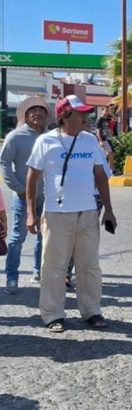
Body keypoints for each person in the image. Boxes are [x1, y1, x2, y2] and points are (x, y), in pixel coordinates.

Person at [25, 94, 117, 332]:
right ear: (65, 116)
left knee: (90, 266)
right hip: (57, 214)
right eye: (81, 114)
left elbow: (101, 175)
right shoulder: (45, 142)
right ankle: (53, 314)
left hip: (87, 213)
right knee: (54, 266)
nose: (86, 118)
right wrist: (31, 213)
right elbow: (32, 178)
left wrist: (108, 209)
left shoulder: (89, 141)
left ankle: (91, 311)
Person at [0, 96, 47, 294]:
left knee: (44, 237)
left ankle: (39, 271)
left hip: (46, 197)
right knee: (17, 238)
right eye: (32, 111)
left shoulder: (50, 137)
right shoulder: (15, 137)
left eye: (41, 111)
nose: (37, 114)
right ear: (26, 115)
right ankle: (11, 276)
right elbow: (4, 163)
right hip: (21, 196)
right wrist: (18, 188)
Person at [96, 106, 115, 171]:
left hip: (106, 138)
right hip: (103, 139)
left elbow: (115, 119)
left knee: (107, 154)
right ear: (102, 111)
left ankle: (108, 169)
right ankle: (112, 169)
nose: (106, 112)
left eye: (107, 111)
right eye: (105, 111)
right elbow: (98, 131)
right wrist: (100, 141)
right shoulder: (100, 120)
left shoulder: (106, 119)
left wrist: (111, 113)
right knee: (110, 153)